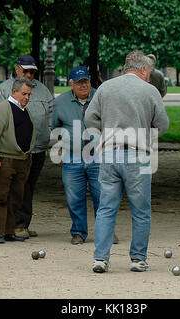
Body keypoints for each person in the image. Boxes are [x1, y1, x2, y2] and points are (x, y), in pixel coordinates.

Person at [85, 50, 169, 273]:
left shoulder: (105, 88)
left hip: (109, 154)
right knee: (141, 210)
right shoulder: (149, 91)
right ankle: (138, 259)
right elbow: (162, 125)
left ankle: (100, 258)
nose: (150, 77)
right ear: (142, 69)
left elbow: (89, 118)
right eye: (149, 73)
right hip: (138, 155)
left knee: (105, 209)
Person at [52, 66, 119, 245]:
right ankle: (79, 232)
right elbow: (53, 125)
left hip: (97, 155)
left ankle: (106, 232)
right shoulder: (60, 102)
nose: (84, 86)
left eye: (87, 81)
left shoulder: (101, 97)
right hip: (72, 156)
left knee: (103, 195)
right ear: (71, 84)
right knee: (74, 197)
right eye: (80, 83)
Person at [0, 55, 54, 239]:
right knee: (14, 188)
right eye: (26, 70)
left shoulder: (43, 91)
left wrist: (48, 133)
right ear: (17, 68)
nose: (29, 74)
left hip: (37, 148)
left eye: (33, 72)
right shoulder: (5, 89)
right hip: (13, 150)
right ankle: (13, 226)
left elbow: (51, 116)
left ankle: (22, 224)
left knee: (29, 187)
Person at [0, 77, 36, 244]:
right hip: (6, 159)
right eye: (24, 94)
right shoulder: (2, 109)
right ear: (14, 92)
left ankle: (9, 231)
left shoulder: (25, 111)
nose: (27, 97)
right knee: (0, 196)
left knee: (16, 197)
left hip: (22, 160)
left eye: (29, 95)